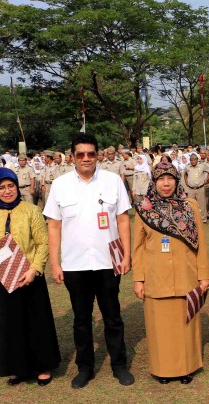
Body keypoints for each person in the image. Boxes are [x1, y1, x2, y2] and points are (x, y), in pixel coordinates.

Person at [43, 133, 135, 389]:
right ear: (72, 156)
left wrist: (127, 255)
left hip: (108, 262)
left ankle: (119, 365)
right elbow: (54, 225)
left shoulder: (112, 181)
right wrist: (55, 263)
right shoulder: (60, 185)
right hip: (75, 265)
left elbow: (123, 220)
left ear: (97, 155)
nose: (86, 158)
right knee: (81, 320)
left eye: (91, 153)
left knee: (112, 317)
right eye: (80, 154)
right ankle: (85, 368)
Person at [0, 168, 61, 386]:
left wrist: (34, 269)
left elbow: (42, 243)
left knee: (36, 321)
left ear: (16, 186)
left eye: (10, 186)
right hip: (3, 276)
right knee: (9, 323)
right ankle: (16, 368)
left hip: (30, 275)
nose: (7, 191)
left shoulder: (31, 210)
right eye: (2, 187)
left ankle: (42, 366)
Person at [132, 162, 209, 384]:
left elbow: (201, 243)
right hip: (156, 277)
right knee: (160, 328)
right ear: (154, 182)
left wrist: (204, 275)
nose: (166, 184)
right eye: (161, 179)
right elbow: (137, 248)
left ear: (177, 181)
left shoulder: (190, 206)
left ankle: (187, 368)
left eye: (170, 179)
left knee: (185, 326)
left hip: (186, 275)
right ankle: (163, 370)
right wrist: (138, 279)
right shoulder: (144, 209)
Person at [183, 153, 209, 223]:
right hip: (191, 189)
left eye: (194, 160)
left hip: (200, 188)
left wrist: (207, 179)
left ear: (197, 160)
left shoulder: (202, 166)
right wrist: (186, 181)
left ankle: (203, 219)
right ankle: (192, 219)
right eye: (191, 160)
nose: (193, 161)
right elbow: (185, 174)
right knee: (191, 204)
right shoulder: (187, 167)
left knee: (202, 204)